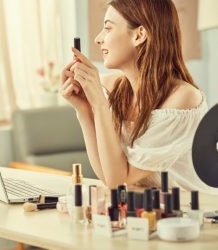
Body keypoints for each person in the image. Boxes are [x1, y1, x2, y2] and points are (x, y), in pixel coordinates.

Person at [61, 0, 209, 191]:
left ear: (139, 35)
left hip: (184, 214)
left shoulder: (183, 98)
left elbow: (119, 180)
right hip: (142, 212)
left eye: (108, 28)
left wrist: (98, 104)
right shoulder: (110, 87)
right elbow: (108, 176)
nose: (98, 39)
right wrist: (82, 109)